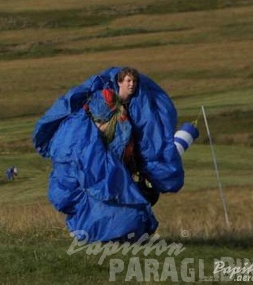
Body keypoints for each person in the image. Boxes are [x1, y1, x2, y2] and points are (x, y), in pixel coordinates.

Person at [33, 66, 186, 242]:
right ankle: (100, 234)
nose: (132, 85)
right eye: (128, 81)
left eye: (134, 81)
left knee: (120, 196)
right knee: (102, 191)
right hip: (97, 154)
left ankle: (117, 235)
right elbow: (95, 122)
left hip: (119, 159)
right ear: (119, 82)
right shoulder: (105, 99)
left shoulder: (135, 106)